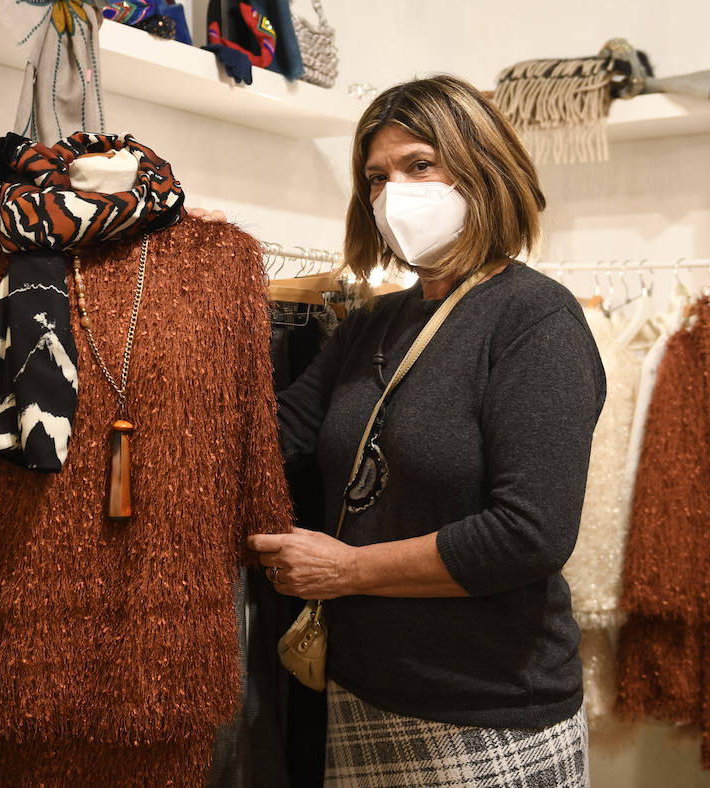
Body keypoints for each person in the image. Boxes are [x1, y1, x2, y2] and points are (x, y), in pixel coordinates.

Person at [247, 74, 606, 787]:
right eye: (375, 178)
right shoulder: (374, 324)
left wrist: (347, 571)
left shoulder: (535, 319)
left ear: (481, 166)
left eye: (419, 165)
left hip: (490, 712)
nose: (394, 194)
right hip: (362, 694)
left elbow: (529, 534)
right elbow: (274, 436)